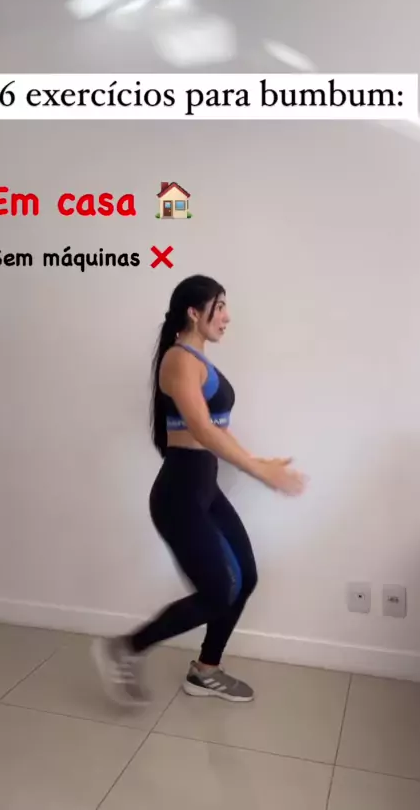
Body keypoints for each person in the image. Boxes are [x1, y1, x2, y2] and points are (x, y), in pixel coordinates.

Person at [92, 275, 307, 704]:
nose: (227, 316)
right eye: (219, 306)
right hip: (180, 494)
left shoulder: (198, 360)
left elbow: (216, 430)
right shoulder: (178, 360)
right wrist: (260, 472)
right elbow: (203, 430)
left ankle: (205, 671)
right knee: (217, 591)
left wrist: (259, 462)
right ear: (194, 312)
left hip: (204, 488)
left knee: (244, 579)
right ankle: (125, 648)